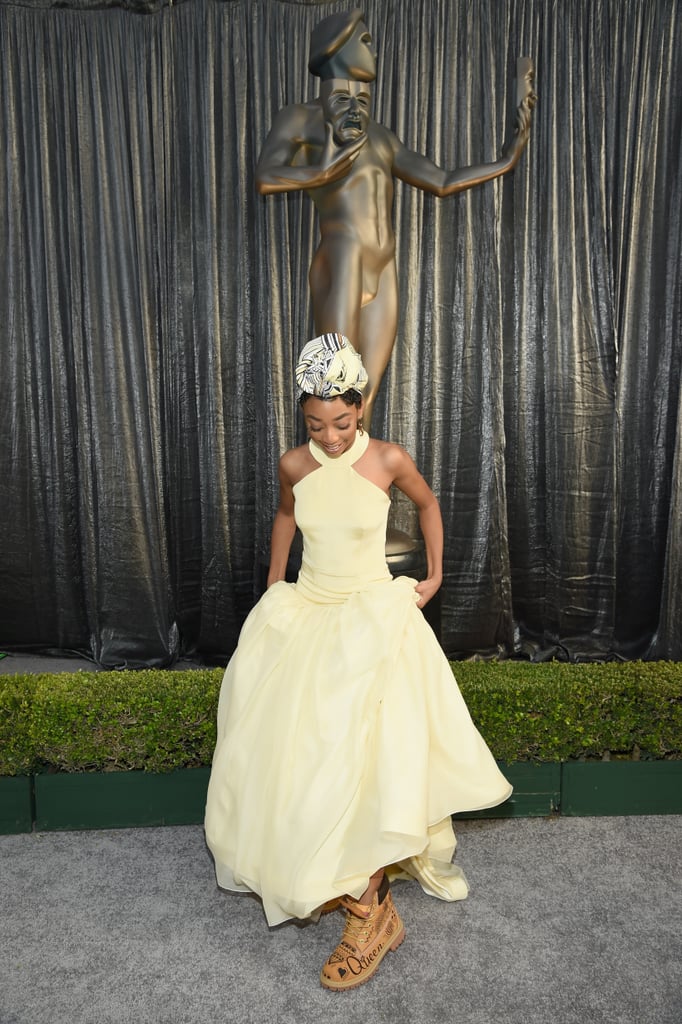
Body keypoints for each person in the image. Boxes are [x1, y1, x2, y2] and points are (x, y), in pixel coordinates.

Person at [204, 332, 512, 991]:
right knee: (303, 753)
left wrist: (432, 576)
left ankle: (369, 909)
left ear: (362, 405)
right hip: (309, 615)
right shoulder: (294, 464)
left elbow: (427, 505)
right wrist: (273, 581)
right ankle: (330, 871)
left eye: (341, 422)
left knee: (373, 759)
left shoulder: (390, 458)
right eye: (316, 424)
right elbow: (286, 517)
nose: (331, 436)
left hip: (374, 616)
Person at [256, 10, 536, 427]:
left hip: (383, 266)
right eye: (364, 39)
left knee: (364, 397)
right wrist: (320, 173)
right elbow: (266, 176)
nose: (373, 48)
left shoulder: (381, 136)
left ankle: (356, 488)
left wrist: (506, 159)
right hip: (343, 257)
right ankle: (322, 484)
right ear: (337, 44)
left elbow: (441, 181)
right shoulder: (301, 117)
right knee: (332, 386)